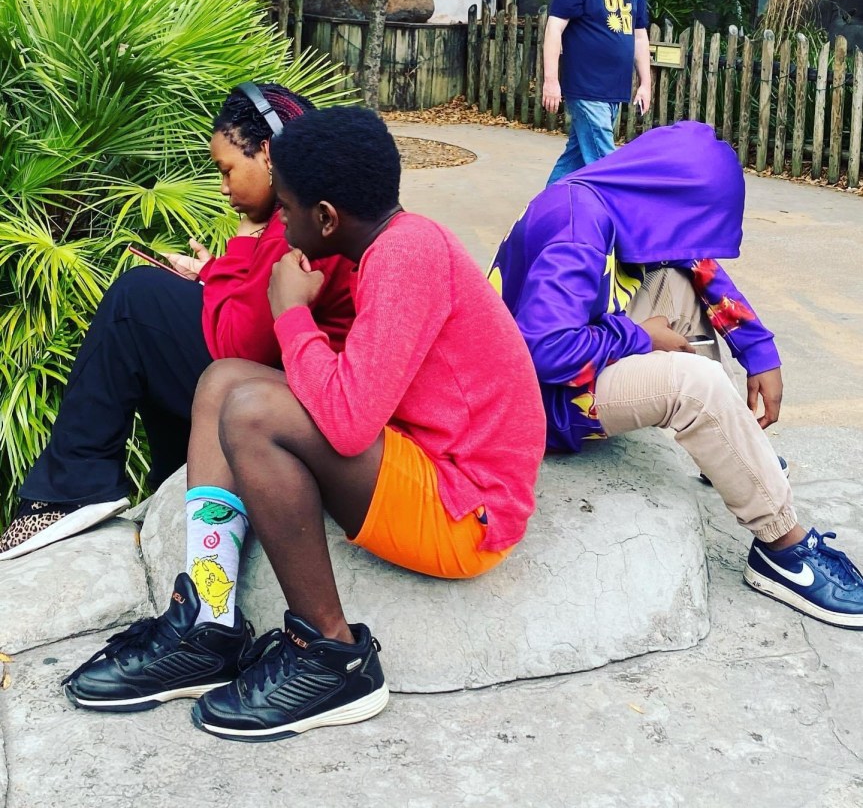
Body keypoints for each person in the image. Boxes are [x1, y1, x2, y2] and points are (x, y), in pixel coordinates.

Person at [61, 106, 547, 740]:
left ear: (325, 217)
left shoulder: (407, 258)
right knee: (223, 380)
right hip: (428, 458)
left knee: (251, 412)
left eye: (286, 207)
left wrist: (290, 313)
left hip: (465, 509)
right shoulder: (394, 245)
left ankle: (333, 657)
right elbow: (352, 397)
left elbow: (346, 424)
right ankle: (208, 623)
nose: (279, 220)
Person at [489, 120, 863, 629]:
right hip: (544, 404)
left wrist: (760, 351)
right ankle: (782, 549)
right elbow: (543, 351)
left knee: (678, 284)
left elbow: (699, 269)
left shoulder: (618, 195)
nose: (694, 239)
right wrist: (641, 336)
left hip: (571, 363)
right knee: (695, 383)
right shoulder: (578, 224)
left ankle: (728, 451)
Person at [0, 84, 355, 562]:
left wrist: (242, 242)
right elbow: (254, 309)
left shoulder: (300, 226)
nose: (224, 188)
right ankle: (171, 479)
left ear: (268, 153)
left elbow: (237, 348)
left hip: (300, 402)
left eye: (228, 170)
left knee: (136, 299)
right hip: (291, 381)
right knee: (157, 314)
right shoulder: (310, 209)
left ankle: (72, 489)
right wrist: (212, 274)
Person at [543, 0, 651, 185]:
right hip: (585, 88)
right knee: (607, 163)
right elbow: (554, 28)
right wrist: (551, 80)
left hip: (614, 91)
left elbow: (640, 36)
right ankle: (625, 217)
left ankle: (540, 212)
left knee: (576, 157)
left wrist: (646, 83)